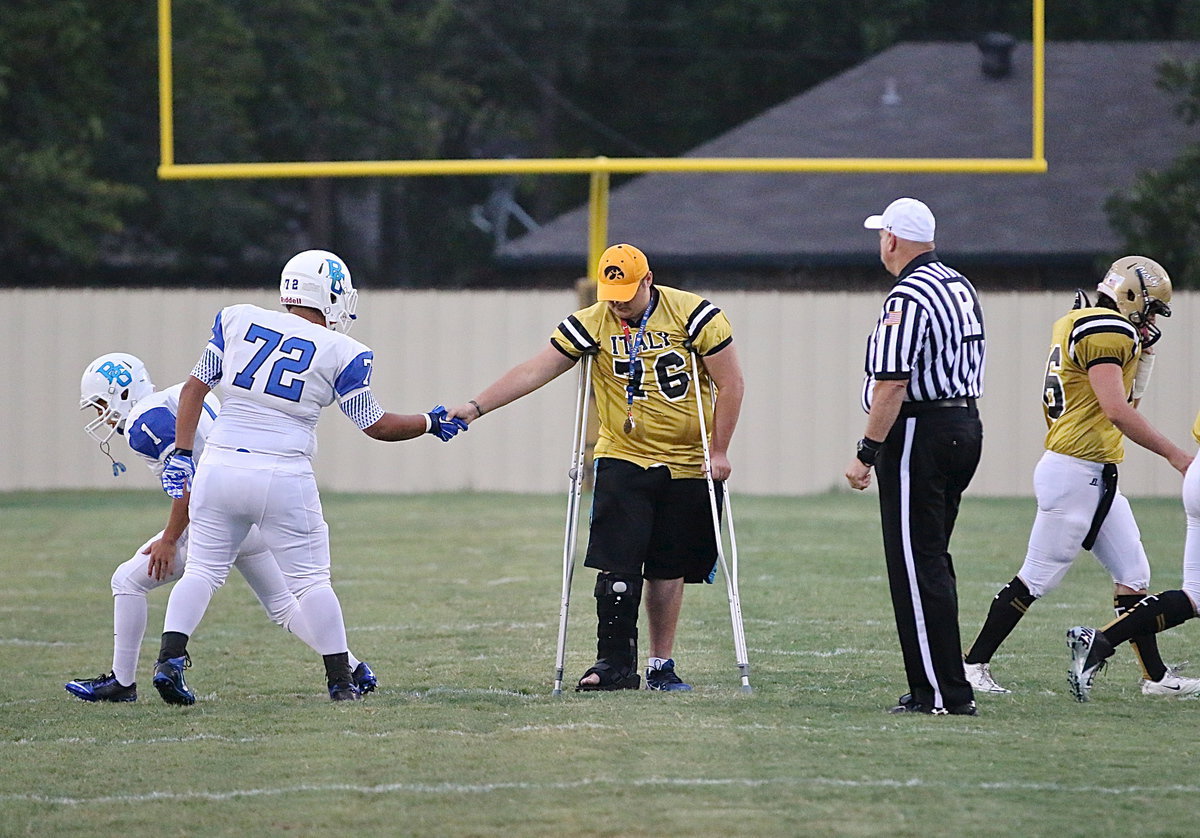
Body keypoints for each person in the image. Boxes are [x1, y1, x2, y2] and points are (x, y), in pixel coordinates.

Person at [152, 249, 467, 704]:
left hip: (219, 464)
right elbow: (376, 425)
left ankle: (169, 660)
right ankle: (341, 680)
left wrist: (183, 454)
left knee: (201, 570)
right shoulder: (343, 351)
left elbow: (194, 390)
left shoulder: (236, 320)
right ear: (331, 294)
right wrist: (430, 421)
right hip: (282, 471)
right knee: (311, 582)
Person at [445, 243, 744, 691]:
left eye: (627, 291)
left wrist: (719, 451)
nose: (619, 302)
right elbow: (535, 370)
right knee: (617, 563)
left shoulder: (696, 316)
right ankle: (614, 665)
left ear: (648, 280)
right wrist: (474, 407)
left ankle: (662, 665)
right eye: (611, 293)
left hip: (687, 461)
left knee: (668, 566)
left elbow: (731, 383)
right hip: (622, 455)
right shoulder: (594, 322)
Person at [67, 352, 377, 701]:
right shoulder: (179, 396)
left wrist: (170, 539)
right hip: (251, 508)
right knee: (284, 605)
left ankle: (125, 682)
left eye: (99, 404)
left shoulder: (145, 422)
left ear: (120, 394)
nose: (99, 415)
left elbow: (188, 480)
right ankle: (353, 667)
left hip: (217, 513)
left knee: (127, 581)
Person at [963, 256, 1199, 700]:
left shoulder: (1082, 320)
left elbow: (1120, 405)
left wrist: (1143, 358)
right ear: (1132, 297)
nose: (1150, 319)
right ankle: (972, 666)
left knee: (1134, 573)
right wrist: (1176, 456)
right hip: (1074, 470)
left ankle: (1156, 678)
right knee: (1037, 578)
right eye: (1151, 308)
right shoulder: (1107, 331)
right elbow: (1117, 410)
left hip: (1092, 470)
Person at [845, 198, 985, 716]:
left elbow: (893, 382)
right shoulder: (957, 284)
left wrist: (866, 452)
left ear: (891, 240)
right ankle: (941, 683)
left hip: (922, 433)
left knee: (915, 563)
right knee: (932, 558)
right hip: (964, 425)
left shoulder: (908, 295)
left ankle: (940, 692)